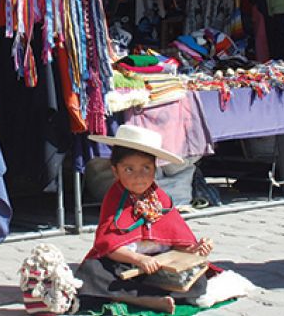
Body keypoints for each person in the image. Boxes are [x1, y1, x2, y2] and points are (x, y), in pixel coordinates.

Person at [77, 125, 214, 314]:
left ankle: (138, 297)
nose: (139, 177)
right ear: (115, 171)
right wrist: (138, 259)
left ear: (155, 169)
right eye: (129, 169)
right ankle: (148, 300)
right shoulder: (114, 197)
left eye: (146, 168)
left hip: (161, 266)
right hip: (126, 264)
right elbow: (107, 245)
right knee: (91, 270)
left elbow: (177, 239)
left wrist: (194, 249)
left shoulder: (161, 198)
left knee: (199, 281)